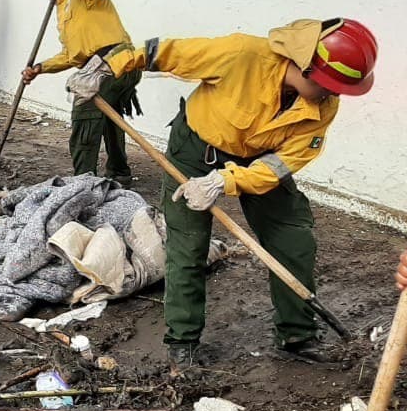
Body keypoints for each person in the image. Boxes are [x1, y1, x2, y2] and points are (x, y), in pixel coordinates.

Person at [69, 18, 379, 365]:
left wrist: (224, 181)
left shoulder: (322, 106)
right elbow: (163, 53)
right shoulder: (243, 55)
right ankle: (182, 342)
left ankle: (298, 335)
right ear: (304, 65)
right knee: (188, 245)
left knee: (293, 238)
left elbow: (282, 164)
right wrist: (105, 68)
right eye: (329, 84)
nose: (334, 94)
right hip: (195, 152)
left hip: (258, 163)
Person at [22, 0, 139, 184]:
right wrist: (40, 68)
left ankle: (83, 181)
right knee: (110, 119)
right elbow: (71, 56)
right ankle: (119, 172)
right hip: (113, 65)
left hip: (112, 61)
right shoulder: (63, 16)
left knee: (85, 115)